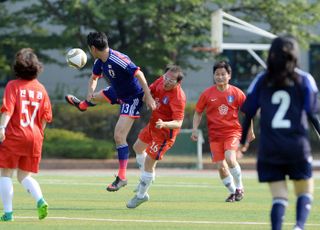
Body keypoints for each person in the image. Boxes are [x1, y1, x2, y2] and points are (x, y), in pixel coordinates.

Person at [239, 35, 320, 230]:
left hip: (270, 148)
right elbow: (312, 112)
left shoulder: (261, 79)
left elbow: (248, 111)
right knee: (305, 191)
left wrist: (243, 141)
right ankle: (299, 226)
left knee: (279, 197)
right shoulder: (304, 79)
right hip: (296, 147)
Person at [65, 32, 156, 192]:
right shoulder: (99, 61)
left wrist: (148, 97)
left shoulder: (118, 59)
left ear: (93, 48)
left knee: (119, 136)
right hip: (117, 91)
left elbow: (139, 74)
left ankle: (122, 177)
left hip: (132, 97)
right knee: (94, 97)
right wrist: (90, 91)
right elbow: (94, 78)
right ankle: (84, 105)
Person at [191, 60, 255, 202]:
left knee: (230, 158)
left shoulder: (237, 93)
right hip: (214, 135)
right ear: (214, 76)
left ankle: (239, 188)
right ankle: (233, 192)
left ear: (229, 75)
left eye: (223, 74)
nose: (220, 77)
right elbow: (198, 112)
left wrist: (251, 130)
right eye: (217, 74)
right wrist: (194, 129)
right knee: (221, 167)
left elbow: (248, 113)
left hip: (232, 132)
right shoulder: (207, 94)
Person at [0, 48, 52, 221]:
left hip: (15, 136)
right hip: (35, 137)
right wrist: (38, 135)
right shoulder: (41, 89)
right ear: (37, 67)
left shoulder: (13, 86)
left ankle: (8, 213)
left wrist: (1, 128)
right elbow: (45, 118)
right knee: (24, 176)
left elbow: (8, 110)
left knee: (5, 173)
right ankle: (40, 200)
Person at [126, 65, 186, 208]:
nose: (166, 81)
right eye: (166, 77)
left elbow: (179, 122)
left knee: (149, 162)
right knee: (138, 147)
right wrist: (147, 98)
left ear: (178, 83)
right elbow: (149, 91)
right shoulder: (161, 81)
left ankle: (141, 195)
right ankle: (146, 178)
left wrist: (164, 124)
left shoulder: (178, 97)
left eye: (171, 81)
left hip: (165, 134)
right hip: (153, 125)